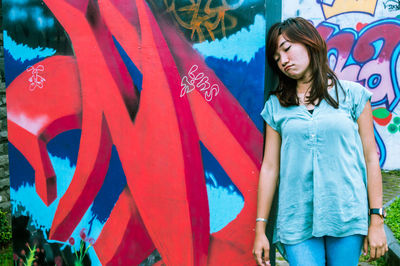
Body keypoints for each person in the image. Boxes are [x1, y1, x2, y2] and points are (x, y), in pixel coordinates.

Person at [252, 17, 388, 266]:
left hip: (346, 213)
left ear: (310, 43)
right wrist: (260, 230)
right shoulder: (276, 106)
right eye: (276, 57)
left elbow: (371, 158)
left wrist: (376, 220)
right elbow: (270, 168)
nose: (282, 60)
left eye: (286, 49)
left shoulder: (353, 95)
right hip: (295, 218)